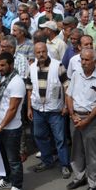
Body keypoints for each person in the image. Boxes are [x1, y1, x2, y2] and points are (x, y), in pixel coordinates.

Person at [65, 49, 96, 190]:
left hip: (91, 120)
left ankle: (93, 182)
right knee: (77, 150)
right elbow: (69, 95)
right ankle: (79, 176)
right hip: (75, 118)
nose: (84, 63)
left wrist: (87, 120)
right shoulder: (76, 74)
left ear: (95, 62)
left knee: (93, 153)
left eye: (87, 60)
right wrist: (72, 115)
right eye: (82, 60)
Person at [26, 42, 70, 178]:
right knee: (39, 136)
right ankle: (47, 161)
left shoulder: (58, 65)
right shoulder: (31, 67)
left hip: (55, 110)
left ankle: (65, 165)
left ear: (47, 51)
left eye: (43, 51)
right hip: (38, 109)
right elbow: (29, 89)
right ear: (35, 53)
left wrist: (66, 106)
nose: (41, 55)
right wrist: (29, 108)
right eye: (38, 52)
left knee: (60, 139)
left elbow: (66, 86)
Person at [0, 52, 26, 190]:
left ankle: (17, 187)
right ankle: (7, 179)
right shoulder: (0, 77)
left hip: (11, 128)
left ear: (11, 65)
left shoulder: (17, 82)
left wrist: (1, 126)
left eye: (3, 65)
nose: (0, 68)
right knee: (3, 156)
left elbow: (12, 109)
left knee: (13, 160)